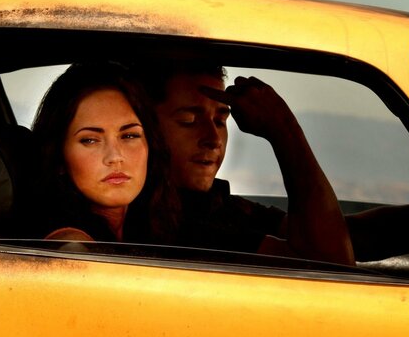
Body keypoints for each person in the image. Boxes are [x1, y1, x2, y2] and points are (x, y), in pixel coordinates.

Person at [137, 61, 355, 266]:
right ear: (146, 126)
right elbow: (334, 266)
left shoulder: (211, 204)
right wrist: (284, 130)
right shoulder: (169, 226)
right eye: (189, 121)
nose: (213, 140)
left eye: (220, 121)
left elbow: (345, 235)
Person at [32, 61, 178, 247]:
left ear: (151, 145)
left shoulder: (155, 222)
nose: (115, 157)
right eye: (90, 140)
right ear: (59, 157)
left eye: (129, 135)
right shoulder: (69, 241)